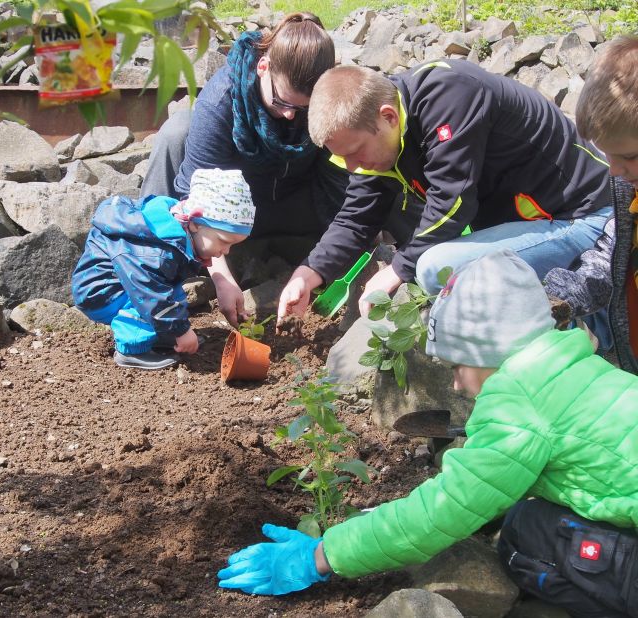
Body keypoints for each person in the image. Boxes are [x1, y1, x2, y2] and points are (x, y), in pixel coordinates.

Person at [219, 250, 638, 617]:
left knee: (526, 538)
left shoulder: (517, 405)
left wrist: (321, 555)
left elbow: (442, 512)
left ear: (485, 353)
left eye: (457, 365)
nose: (456, 384)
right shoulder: (583, 368)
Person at [276, 60, 612, 324]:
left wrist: (397, 270)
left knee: (434, 267)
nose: (351, 167)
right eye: (342, 157)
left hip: (582, 217)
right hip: (535, 222)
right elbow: (357, 215)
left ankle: (580, 327)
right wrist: (309, 273)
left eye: (355, 152)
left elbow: (452, 205)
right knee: (430, 264)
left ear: (388, 117)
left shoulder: (451, 96)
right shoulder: (384, 130)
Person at [141, 12, 349, 326]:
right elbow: (193, 196)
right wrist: (221, 278)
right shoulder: (222, 98)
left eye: (303, 108)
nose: (292, 117)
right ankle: (151, 266)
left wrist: (324, 264)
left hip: (297, 208)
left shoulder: (326, 101)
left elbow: (343, 189)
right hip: (228, 216)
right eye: (282, 102)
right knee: (177, 130)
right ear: (263, 68)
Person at [71, 168, 255, 370]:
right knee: (149, 299)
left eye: (232, 245)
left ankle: (161, 334)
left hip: (126, 283)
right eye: (223, 241)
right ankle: (132, 349)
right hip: (101, 292)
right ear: (194, 224)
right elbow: (150, 293)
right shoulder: (155, 252)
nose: (226, 251)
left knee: (169, 293)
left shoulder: (174, 231)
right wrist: (181, 330)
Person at [544, 34, 638, 368]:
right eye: (608, 155)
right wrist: (557, 298)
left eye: (628, 155)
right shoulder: (631, 192)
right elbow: (607, 262)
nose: (613, 170)